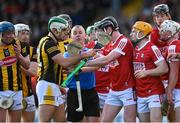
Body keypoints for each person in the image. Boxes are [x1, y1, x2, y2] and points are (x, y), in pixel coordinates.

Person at [36, 16, 95, 122]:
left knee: (62, 121)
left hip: (54, 86)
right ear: (54, 30)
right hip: (47, 86)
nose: (66, 33)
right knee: (44, 121)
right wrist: (85, 55)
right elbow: (64, 62)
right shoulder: (48, 43)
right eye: (63, 30)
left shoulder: (53, 43)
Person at [86, 16, 136, 122]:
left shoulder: (123, 41)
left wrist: (85, 63)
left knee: (129, 121)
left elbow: (107, 60)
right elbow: (103, 59)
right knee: (104, 121)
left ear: (109, 29)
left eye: (102, 31)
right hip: (114, 90)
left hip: (127, 89)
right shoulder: (112, 44)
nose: (100, 34)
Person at [130, 21, 168, 122]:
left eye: (134, 31)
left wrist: (146, 72)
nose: (131, 34)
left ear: (142, 34)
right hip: (141, 94)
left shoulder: (152, 48)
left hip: (154, 92)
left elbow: (164, 68)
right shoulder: (136, 49)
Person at [65, 25, 100, 122]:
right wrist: (83, 66)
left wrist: (78, 69)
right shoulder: (67, 54)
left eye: (80, 33)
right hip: (74, 93)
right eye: (75, 33)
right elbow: (67, 68)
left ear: (85, 36)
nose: (78, 35)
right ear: (70, 37)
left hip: (90, 92)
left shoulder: (90, 52)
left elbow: (97, 66)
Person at [0, 21, 30, 122]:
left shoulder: (18, 44)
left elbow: (27, 65)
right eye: (8, 33)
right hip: (1, 91)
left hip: (17, 90)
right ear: (1, 34)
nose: (11, 36)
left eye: (12, 33)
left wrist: (19, 55)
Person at [151, 4, 175, 121]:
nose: (159, 19)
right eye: (156, 17)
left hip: (176, 78)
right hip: (162, 79)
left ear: (168, 16)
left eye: (161, 16)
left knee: (173, 115)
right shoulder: (153, 34)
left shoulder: (177, 30)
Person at [14, 23, 37, 122]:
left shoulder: (32, 50)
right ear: (15, 34)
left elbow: (33, 72)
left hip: (28, 94)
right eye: (23, 33)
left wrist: (18, 66)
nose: (26, 36)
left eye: (27, 34)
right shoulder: (6, 50)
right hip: (12, 94)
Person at [159, 20, 180, 122]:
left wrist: (169, 91)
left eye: (163, 30)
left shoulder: (173, 46)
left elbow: (174, 72)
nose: (160, 32)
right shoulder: (173, 45)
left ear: (170, 33)